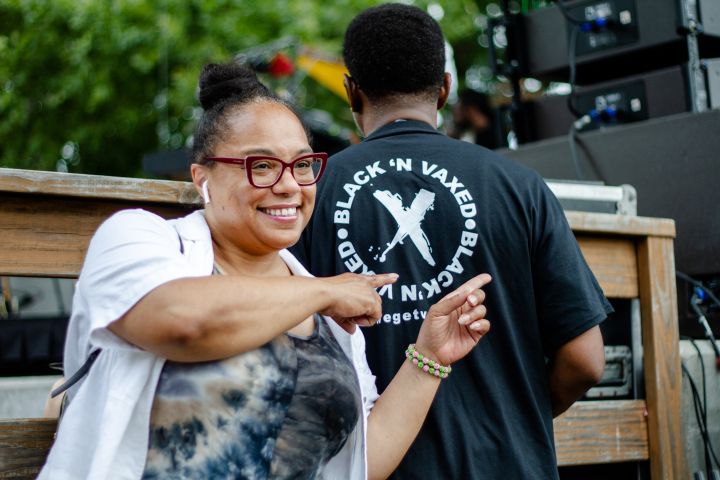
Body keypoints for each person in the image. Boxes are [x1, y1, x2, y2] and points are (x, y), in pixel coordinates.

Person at [38, 62, 491, 480]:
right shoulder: (140, 238)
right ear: (203, 178)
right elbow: (180, 321)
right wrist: (324, 293)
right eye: (263, 166)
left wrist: (429, 358)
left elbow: (362, 460)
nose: (290, 186)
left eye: (302, 165)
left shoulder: (325, 312)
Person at [290, 4, 612, 479]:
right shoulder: (519, 186)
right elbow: (585, 361)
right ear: (443, 88)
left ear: (350, 90)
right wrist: (519, 423)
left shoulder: (308, 193)